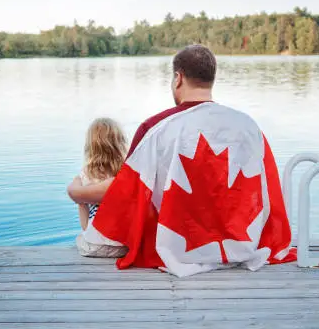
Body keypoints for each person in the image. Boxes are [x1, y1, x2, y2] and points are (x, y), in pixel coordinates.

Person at [68, 44, 295, 276]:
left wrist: (78, 193)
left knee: (88, 241)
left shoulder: (154, 128)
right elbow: (268, 190)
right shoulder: (248, 126)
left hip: (179, 245)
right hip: (240, 242)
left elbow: (128, 193)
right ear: (211, 79)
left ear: (178, 78)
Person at [71, 117, 129, 258]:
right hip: (125, 246)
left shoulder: (86, 174)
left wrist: (87, 232)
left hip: (94, 247)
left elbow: (82, 208)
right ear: (121, 143)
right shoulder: (128, 171)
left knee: (80, 238)